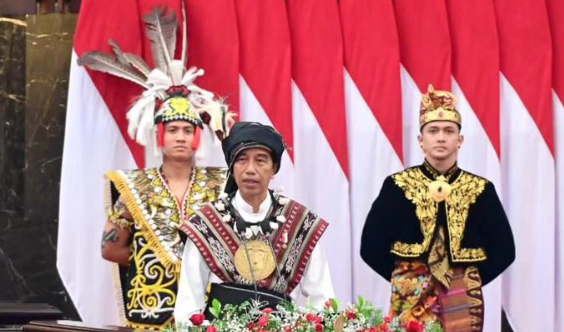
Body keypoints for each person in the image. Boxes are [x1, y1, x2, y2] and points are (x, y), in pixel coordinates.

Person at [79, 7, 234, 329]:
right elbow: (110, 248)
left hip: (210, 311)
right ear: (160, 136)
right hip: (151, 307)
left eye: (187, 130)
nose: (180, 137)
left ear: (197, 136)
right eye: (173, 130)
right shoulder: (135, 186)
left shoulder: (222, 184)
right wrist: (150, 258)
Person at [360, 85, 515, 332]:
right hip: (409, 294)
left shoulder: (480, 189)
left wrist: (470, 279)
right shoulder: (397, 186)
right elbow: (370, 245)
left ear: (460, 140)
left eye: (448, 131)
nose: (441, 137)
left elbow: (505, 249)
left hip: (463, 295)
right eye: (433, 131)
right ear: (421, 140)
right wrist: (404, 276)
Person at [174, 122, 335, 322]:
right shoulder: (206, 223)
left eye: (260, 161)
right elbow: (187, 309)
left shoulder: (300, 223)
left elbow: (323, 302)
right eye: (242, 160)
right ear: (232, 168)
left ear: (274, 168)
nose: (250, 169)